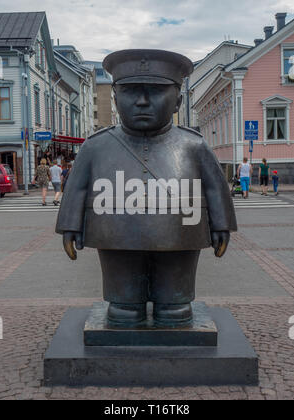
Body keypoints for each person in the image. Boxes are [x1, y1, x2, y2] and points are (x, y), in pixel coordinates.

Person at [55, 49, 237, 326]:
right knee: (123, 307)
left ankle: (173, 302)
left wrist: (221, 224)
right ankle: (125, 303)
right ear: (116, 98)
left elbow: (214, 187)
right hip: (116, 233)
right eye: (130, 91)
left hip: (180, 233)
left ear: (177, 100)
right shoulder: (95, 146)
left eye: (155, 91)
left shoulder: (193, 145)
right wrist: (70, 225)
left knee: (174, 307)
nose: (142, 101)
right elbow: (77, 188)